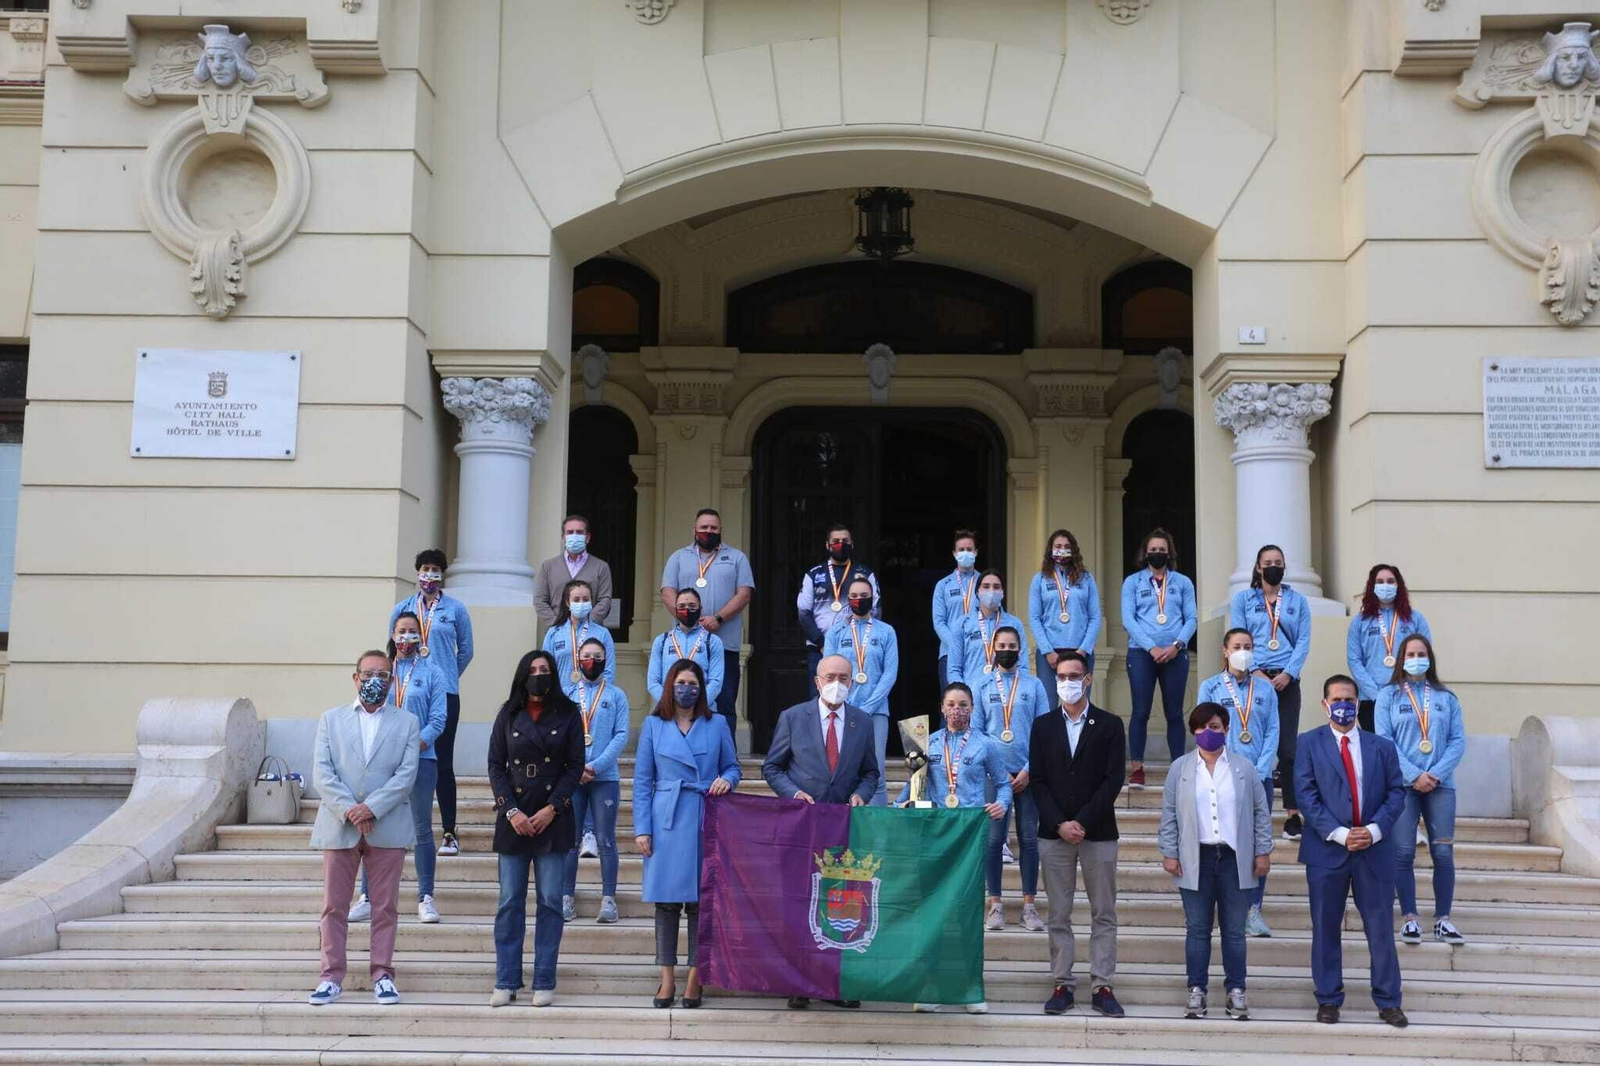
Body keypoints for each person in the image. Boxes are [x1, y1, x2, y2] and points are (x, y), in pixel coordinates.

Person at [762, 652, 879, 1010]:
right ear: (817, 681)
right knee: (800, 905)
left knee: (838, 907)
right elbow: (772, 767)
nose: (837, 684)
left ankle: (833, 983)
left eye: (844, 678)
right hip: (802, 828)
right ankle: (799, 982)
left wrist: (861, 794)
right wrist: (793, 794)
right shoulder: (793, 717)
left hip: (843, 831)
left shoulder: (862, 721)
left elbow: (871, 773)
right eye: (830, 677)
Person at [306, 650, 421, 1007]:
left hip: (387, 825)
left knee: (384, 907)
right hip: (340, 826)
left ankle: (383, 974)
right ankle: (330, 976)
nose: (376, 680)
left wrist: (371, 807)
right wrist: (351, 810)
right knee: (334, 906)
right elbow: (323, 774)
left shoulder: (407, 722)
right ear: (355, 678)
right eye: (369, 673)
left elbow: (406, 776)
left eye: (384, 675)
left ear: (392, 680)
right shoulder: (330, 719)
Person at [1294, 674, 1409, 1027]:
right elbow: (1306, 795)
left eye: (1349, 699)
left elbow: (1396, 793)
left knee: (1380, 928)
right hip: (1327, 852)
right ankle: (1328, 998)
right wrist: (1341, 834)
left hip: (1373, 851)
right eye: (1337, 699)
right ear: (1324, 704)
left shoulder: (1382, 746)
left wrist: (1373, 831)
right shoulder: (1308, 743)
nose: (1343, 705)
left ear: (1358, 703)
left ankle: (1388, 1001)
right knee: (1325, 928)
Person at [634, 659, 741, 1009]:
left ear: (702, 689)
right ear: (670, 685)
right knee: (665, 904)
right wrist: (642, 829)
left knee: (699, 903)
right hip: (665, 818)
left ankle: (695, 979)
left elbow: (732, 766)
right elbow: (641, 782)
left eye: (693, 683)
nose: (687, 689)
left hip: (704, 815)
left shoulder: (717, 723)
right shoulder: (653, 725)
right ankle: (666, 979)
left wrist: (728, 779)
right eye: (680, 682)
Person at [1158, 702, 1273, 1021]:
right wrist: (1169, 851)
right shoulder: (1180, 769)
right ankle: (1196, 991)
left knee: (1234, 931)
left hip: (1235, 858)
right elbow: (1169, 812)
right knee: (1197, 929)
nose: (1210, 732)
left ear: (1226, 730)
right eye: (1203, 726)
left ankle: (1236, 991)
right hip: (1196, 857)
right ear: (1194, 730)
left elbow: (1260, 812)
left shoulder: (1243, 767)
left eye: (1216, 727)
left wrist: (1263, 850)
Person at [901, 682, 1008, 1016]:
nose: (957, 710)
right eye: (951, 704)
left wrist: (1002, 803)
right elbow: (912, 786)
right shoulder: (925, 742)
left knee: (966, 911)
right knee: (931, 911)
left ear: (972, 708)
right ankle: (929, 985)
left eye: (963, 704)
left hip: (969, 834)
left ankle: (968, 988)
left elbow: (1004, 783)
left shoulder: (986, 745)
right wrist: (900, 803)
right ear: (941, 708)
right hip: (935, 833)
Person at [487, 650, 585, 1008]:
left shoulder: (569, 713)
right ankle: (506, 979)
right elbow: (495, 765)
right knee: (509, 902)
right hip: (513, 816)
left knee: (549, 902)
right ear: (522, 675)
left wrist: (552, 808)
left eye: (544, 670)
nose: (539, 675)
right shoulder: (508, 712)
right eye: (532, 670)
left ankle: (544, 979)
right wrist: (510, 810)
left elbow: (575, 767)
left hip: (552, 817)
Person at [1032, 651, 1127, 1018]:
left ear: (1087, 679)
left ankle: (1102, 984)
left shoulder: (1109, 724)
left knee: (1103, 912)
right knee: (1059, 913)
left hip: (1098, 832)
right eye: (1061, 675)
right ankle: (1062, 984)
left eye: (1074, 675)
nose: (1067, 682)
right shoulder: (1043, 726)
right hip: (1053, 834)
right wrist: (1059, 823)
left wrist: (1082, 821)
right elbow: (1038, 781)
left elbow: (1113, 779)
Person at [348, 613, 448, 926]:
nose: (406, 637)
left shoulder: (433, 672)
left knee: (420, 829)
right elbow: (369, 710)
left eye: (412, 632)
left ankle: (426, 897)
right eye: (401, 631)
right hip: (382, 762)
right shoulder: (381, 671)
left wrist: (413, 745)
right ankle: (366, 896)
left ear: (421, 636)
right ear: (392, 635)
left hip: (422, 759)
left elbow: (438, 720)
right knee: (374, 824)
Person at [1375, 634, 1466, 947]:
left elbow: (1457, 741)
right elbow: (1385, 741)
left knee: (1442, 851)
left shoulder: (1446, 697)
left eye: (1421, 653)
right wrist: (1414, 775)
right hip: (1404, 785)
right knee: (1403, 852)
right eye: (1411, 653)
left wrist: (1436, 775)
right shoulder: (1388, 696)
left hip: (1441, 786)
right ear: (1402, 658)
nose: (1416, 658)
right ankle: (1410, 918)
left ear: (1430, 657)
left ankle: (1443, 919)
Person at [1196, 627, 1281, 938]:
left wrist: (1260, 769)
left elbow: (1273, 730)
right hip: (1221, 776)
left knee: (1258, 843)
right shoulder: (1210, 687)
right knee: (1222, 842)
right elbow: (1203, 730)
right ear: (1225, 650)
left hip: (1259, 777)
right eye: (1237, 646)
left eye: (1247, 646)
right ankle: (1224, 907)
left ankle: (1253, 910)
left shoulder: (1265, 690)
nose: (1242, 651)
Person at [390, 549, 473, 857]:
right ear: (417, 572)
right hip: (406, 692)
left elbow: (466, 649)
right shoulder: (402, 609)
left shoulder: (455, 609)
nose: (430, 574)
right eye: (425, 568)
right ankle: (401, 828)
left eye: (436, 569)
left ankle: (449, 831)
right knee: (398, 757)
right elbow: (393, 646)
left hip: (444, 693)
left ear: (443, 575)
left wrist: (446, 675)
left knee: (443, 761)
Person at [1230, 544, 1312, 842]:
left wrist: (1289, 673)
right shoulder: (1243, 600)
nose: (1273, 566)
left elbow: (1303, 640)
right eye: (1268, 562)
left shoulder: (1297, 601)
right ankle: (1251, 810)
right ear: (1258, 567)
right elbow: (1238, 638)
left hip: (1287, 681)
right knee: (1251, 744)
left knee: (1288, 751)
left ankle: (1292, 814)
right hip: (1254, 680)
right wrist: (1255, 672)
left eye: (1278, 562)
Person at [976, 626, 1051, 933]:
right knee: (993, 840)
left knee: (1030, 840)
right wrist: (999, 771)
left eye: (1012, 645)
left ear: (1020, 649)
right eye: (1001, 644)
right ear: (993, 648)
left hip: (1027, 776)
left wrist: (1029, 770)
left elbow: (1045, 730)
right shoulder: (980, 685)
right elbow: (977, 734)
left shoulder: (1034, 686)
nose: (1006, 649)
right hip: (996, 777)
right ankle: (995, 904)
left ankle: (1029, 907)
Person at [660, 508, 754, 743]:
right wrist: (685, 618)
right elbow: (667, 592)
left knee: (724, 702)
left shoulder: (737, 558)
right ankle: (682, 749)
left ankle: (726, 757)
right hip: (685, 645)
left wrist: (718, 618)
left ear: (720, 529)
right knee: (682, 699)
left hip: (724, 644)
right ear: (694, 530)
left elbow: (744, 594)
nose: (708, 532)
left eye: (713, 528)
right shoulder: (678, 557)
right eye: (703, 528)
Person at [1119, 528, 1196, 788]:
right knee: (1140, 711)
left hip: (1176, 653)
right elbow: (1129, 620)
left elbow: (1192, 618)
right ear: (1145, 553)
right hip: (1142, 653)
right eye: (1153, 550)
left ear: (1169, 553)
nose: (1157, 554)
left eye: (1162, 550)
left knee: (1174, 713)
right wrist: (1152, 647)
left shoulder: (1182, 582)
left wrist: (1176, 645)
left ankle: (1178, 768)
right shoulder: (1133, 582)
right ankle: (1137, 768)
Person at [561, 637, 630, 925]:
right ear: (578, 659)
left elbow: (621, 735)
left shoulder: (616, 696)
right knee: (570, 841)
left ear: (605, 660)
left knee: (605, 840)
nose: (592, 660)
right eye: (586, 655)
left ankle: (609, 899)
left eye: (597, 655)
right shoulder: (565, 694)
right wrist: (575, 768)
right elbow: (559, 735)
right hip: (572, 778)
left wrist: (596, 766)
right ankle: (566, 896)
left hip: (606, 778)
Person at [822, 575, 899, 806]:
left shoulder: (886, 632)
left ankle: (878, 835)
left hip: (875, 712)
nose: (858, 600)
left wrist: (868, 707)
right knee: (839, 771)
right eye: (854, 596)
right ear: (847, 599)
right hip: (842, 709)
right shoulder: (836, 632)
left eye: (864, 596)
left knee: (876, 772)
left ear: (872, 598)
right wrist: (843, 704)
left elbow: (889, 674)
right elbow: (828, 670)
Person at [1347, 564, 1432, 733]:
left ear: (1398, 585)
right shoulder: (1359, 622)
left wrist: (1406, 690)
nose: (1385, 585)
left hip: (1407, 696)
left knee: (1405, 748)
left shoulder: (1415, 619)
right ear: (1372, 587)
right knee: (1377, 750)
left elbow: (1424, 656)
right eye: (1380, 581)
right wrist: (1377, 695)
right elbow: (1354, 660)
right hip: (1370, 700)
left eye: (1390, 581)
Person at [797, 523, 881, 680]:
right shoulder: (813, 575)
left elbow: (875, 610)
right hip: (819, 649)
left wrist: (863, 641)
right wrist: (822, 643)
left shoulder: (865, 574)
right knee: (822, 697)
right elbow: (804, 613)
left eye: (845, 540)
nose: (840, 545)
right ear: (827, 545)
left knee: (854, 696)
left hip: (856, 648)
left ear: (852, 544)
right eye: (835, 541)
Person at [1028, 529, 1102, 677]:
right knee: (1048, 700)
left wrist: (1083, 650)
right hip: (1049, 653)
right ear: (1051, 550)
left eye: (1067, 546)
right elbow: (1034, 618)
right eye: (1058, 546)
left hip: (1080, 650)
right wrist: (1048, 651)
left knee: (1078, 699)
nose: (1062, 550)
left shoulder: (1086, 578)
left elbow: (1095, 617)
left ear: (1073, 550)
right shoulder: (1040, 579)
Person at [948, 570, 1031, 686]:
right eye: (986, 587)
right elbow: (954, 670)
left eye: (996, 587)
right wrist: (964, 695)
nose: (991, 591)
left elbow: (1023, 666)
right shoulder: (962, 624)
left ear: (1002, 592)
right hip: (971, 695)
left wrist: (1016, 690)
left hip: (1006, 696)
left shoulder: (1014, 624)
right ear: (977, 592)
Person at [647, 587, 726, 705]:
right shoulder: (661, 641)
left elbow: (716, 682)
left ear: (700, 609)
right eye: (682, 606)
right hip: (668, 713)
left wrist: (697, 706)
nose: (687, 610)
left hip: (702, 713)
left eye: (692, 606)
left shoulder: (713, 642)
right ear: (676, 610)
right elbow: (653, 682)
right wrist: (670, 705)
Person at [534, 513, 615, 629]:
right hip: (557, 633)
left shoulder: (601, 567)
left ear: (587, 537)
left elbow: (605, 600)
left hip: (591, 633)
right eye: (570, 532)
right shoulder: (548, 567)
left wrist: (587, 624)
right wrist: (557, 625)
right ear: (563, 537)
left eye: (579, 532)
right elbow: (540, 600)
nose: (575, 535)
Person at [544, 579, 617, 689]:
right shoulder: (554, 633)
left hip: (591, 700)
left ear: (591, 602)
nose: (581, 603)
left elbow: (609, 672)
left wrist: (597, 696)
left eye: (586, 599)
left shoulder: (602, 634)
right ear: (567, 602)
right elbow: (546, 669)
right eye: (576, 600)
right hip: (561, 699)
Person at [931, 529, 980, 691]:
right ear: (954, 553)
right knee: (952, 707)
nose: (965, 553)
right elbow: (939, 622)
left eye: (969, 549)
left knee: (978, 705)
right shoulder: (943, 585)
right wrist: (956, 644)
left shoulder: (985, 582)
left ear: (976, 552)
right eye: (961, 550)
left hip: (979, 652)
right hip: (949, 653)